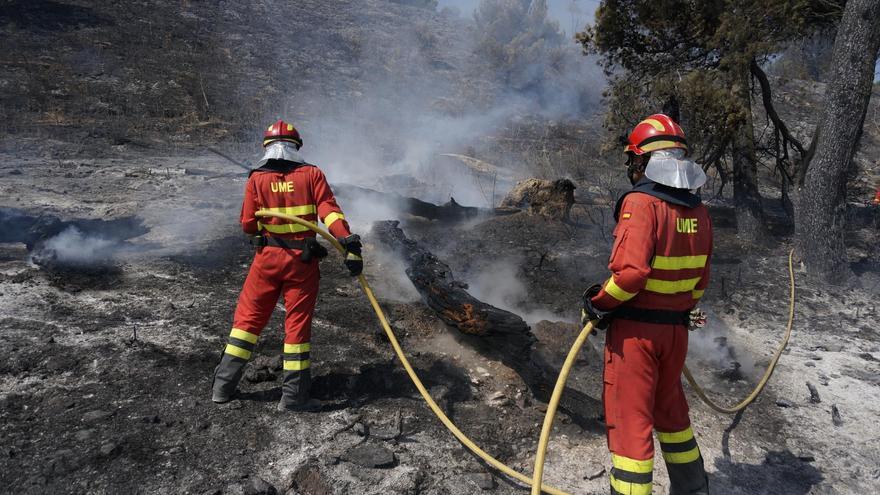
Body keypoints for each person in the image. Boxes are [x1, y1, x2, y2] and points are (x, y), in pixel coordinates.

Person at [582, 114, 712, 494]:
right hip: (676, 332)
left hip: (636, 336)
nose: (631, 168)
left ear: (643, 161)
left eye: (632, 160)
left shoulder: (641, 204)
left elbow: (631, 275)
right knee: (671, 414)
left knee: (630, 424)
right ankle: (693, 488)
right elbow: (700, 281)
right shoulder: (699, 212)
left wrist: (600, 304)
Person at [212, 119, 363, 412]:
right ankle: (293, 397)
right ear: (296, 147)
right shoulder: (312, 174)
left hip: (266, 261)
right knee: (296, 327)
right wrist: (348, 242)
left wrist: (264, 223)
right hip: (301, 263)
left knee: (247, 323)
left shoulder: (256, 178)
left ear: (267, 148)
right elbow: (329, 212)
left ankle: (222, 388)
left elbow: (246, 224)